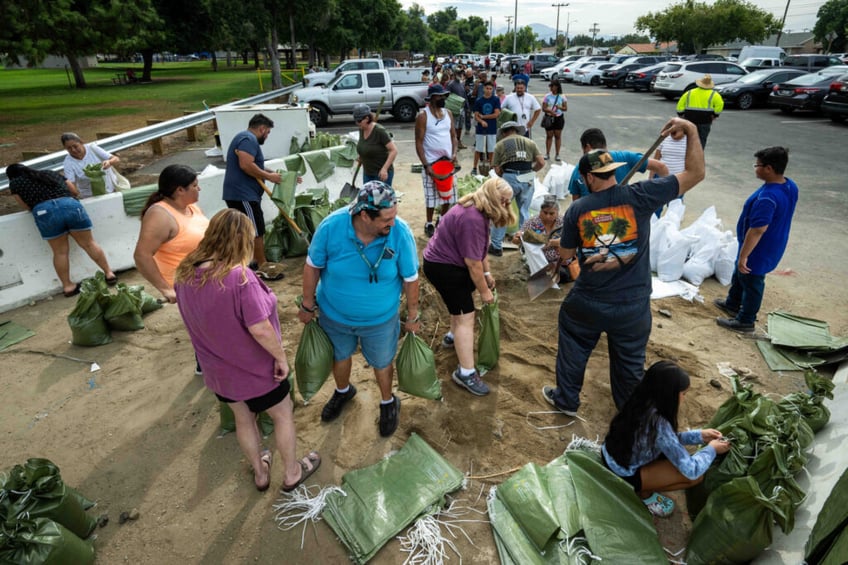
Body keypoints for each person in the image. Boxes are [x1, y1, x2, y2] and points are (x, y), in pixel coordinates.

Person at [542, 117, 705, 416]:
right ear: (612, 173)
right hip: (633, 305)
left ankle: (566, 399)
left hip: (589, 301)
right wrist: (692, 130)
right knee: (629, 366)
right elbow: (696, 173)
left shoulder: (579, 208)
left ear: (589, 178)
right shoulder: (641, 196)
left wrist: (564, 249)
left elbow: (566, 255)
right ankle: (631, 415)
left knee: (574, 340)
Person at [174, 209, 319, 493]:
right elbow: (260, 329)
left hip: (219, 371)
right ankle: (291, 473)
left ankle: (260, 472)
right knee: (282, 414)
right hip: (256, 370)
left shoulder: (184, 274)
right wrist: (281, 358)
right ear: (242, 240)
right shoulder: (239, 277)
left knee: (243, 418)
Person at [297, 182, 420, 437]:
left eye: (395, 216)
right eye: (387, 219)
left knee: (383, 362)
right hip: (334, 316)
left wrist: (412, 316)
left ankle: (388, 402)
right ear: (364, 215)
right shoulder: (331, 227)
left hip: (381, 320)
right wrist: (307, 304)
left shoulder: (401, 233)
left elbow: (411, 279)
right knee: (340, 356)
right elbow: (312, 266)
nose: (393, 224)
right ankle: (343, 391)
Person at [423, 178, 515, 396]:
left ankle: (453, 337)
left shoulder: (475, 206)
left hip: (445, 263)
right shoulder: (472, 218)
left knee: (459, 305)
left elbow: (479, 250)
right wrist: (485, 293)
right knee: (466, 315)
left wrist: (487, 273)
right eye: (506, 202)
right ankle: (465, 373)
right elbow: (472, 262)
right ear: (496, 199)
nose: (508, 207)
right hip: (445, 268)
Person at [602, 361, 730, 517]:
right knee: (696, 478)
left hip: (611, 454)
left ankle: (646, 483)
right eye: (683, 394)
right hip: (624, 472)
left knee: (674, 459)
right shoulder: (659, 423)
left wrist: (699, 435)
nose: (684, 398)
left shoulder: (641, 401)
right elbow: (691, 470)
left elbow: (665, 440)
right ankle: (644, 493)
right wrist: (712, 449)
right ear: (669, 395)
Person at [715, 146, 798, 333]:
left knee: (752, 281)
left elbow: (758, 229)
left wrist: (744, 255)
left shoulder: (767, 198)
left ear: (768, 169)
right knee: (740, 274)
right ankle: (733, 303)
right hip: (772, 242)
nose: (755, 168)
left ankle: (746, 320)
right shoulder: (790, 186)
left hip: (758, 248)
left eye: (757, 165)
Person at [7, 163, 117, 297]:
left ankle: (68, 286)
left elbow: (25, 206)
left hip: (44, 211)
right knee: (89, 243)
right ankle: (109, 273)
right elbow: (74, 191)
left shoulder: (15, 183)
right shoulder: (49, 172)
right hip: (69, 204)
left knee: (60, 252)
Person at [134, 164, 209, 304]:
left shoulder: (191, 207)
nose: (199, 189)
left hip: (207, 276)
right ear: (180, 190)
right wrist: (166, 289)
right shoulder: (159, 215)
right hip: (188, 284)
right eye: (195, 185)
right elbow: (142, 256)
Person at [222, 113, 283, 278]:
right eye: (268, 132)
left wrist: (272, 173)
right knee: (255, 229)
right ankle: (263, 266)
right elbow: (246, 165)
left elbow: (255, 165)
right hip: (243, 194)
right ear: (262, 128)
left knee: (245, 230)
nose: (267, 136)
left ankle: (251, 262)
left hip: (242, 194)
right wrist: (270, 177)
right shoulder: (248, 139)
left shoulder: (245, 139)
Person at [567, 128, 669, 201]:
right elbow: (661, 167)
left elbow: (575, 204)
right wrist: (661, 197)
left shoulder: (579, 171)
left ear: (588, 147)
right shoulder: (626, 157)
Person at [490, 121, 545, 256]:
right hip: (528, 177)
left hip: (510, 176)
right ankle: (525, 246)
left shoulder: (500, 145)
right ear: (516, 130)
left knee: (502, 211)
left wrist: (506, 177)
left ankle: (496, 246)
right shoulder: (529, 142)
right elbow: (541, 162)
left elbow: (496, 168)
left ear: (504, 132)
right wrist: (531, 172)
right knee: (524, 211)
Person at [415, 84, 459, 238]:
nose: (443, 99)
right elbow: (419, 142)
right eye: (440, 96)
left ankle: (442, 219)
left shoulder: (448, 114)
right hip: (431, 163)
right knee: (431, 196)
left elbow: (453, 136)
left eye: (444, 96)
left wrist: (454, 153)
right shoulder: (423, 116)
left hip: (447, 163)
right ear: (432, 98)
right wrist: (426, 164)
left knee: (448, 195)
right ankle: (429, 223)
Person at [61, 132, 120, 198]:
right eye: (69, 148)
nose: (73, 150)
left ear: (81, 142)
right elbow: (71, 183)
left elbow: (116, 159)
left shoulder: (93, 148)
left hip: (111, 190)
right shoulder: (68, 163)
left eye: (75, 146)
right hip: (90, 196)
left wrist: (109, 162)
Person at [512, 195, 564, 269]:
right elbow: (516, 241)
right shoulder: (532, 222)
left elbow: (570, 240)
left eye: (551, 213)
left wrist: (551, 242)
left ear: (557, 213)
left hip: (558, 260)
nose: (548, 216)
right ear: (540, 211)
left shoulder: (562, 222)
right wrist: (517, 238)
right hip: (535, 260)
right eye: (545, 213)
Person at [353, 103, 397, 186]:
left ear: (367, 118)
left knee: (382, 198)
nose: (357, 123)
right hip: (368, 173)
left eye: (359, 121)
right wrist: (362, 156)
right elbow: (365, 145)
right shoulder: (362, 129)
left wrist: (384, 169)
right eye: (355, 121)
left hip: (381, 175)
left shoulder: (379, 131)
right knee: (369, 198)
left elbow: (393, 150)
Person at [676, 74, 724, 149]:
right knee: (702, 139)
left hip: (689, 119)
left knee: (688, 138)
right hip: (705, 120)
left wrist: (681, 114)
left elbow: (680, 105)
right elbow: (719, 105)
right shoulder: (714, 94)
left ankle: (687, 154)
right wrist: (715, 115)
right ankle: (698, 155)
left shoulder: (689, 92)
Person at [471, 81, 501, 175]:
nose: (488, 90)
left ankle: (491, 168)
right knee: (478, 149)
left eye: (490, 89)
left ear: (493, 90)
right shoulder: (479, 101)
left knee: (491, 150)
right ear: (484, 89)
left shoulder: (495, 100)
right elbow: (476, 115)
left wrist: (483, 117)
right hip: (480, 129)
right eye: (487, 88)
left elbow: (496, 114)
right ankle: (474, 168)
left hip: (492, 128)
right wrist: (481, 121)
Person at [541, 80, 568, 162]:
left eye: (552, 86)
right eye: (550, 86)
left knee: (558, 136)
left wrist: (559, 107)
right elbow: (543, 108)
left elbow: (565, 108)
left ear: (557, 87)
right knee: (549, 136)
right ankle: (547, 153)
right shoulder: (547, 96)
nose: (551, 88)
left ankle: (557, 154)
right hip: (549, 118)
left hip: (558, 118)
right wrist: (550, 111)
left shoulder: (562, 96)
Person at [446, 71, 469, 149]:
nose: (460, 75)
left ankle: (459, 142)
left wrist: (467, 107)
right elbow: (447, 96)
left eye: (461, 74)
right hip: (454, 110)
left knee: (460, 126)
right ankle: (453, 144)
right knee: (454, 127)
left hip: (461, 109)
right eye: (458, 74)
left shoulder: (461, 84)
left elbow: (464, 96)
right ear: (455, 75)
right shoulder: (450, 84)